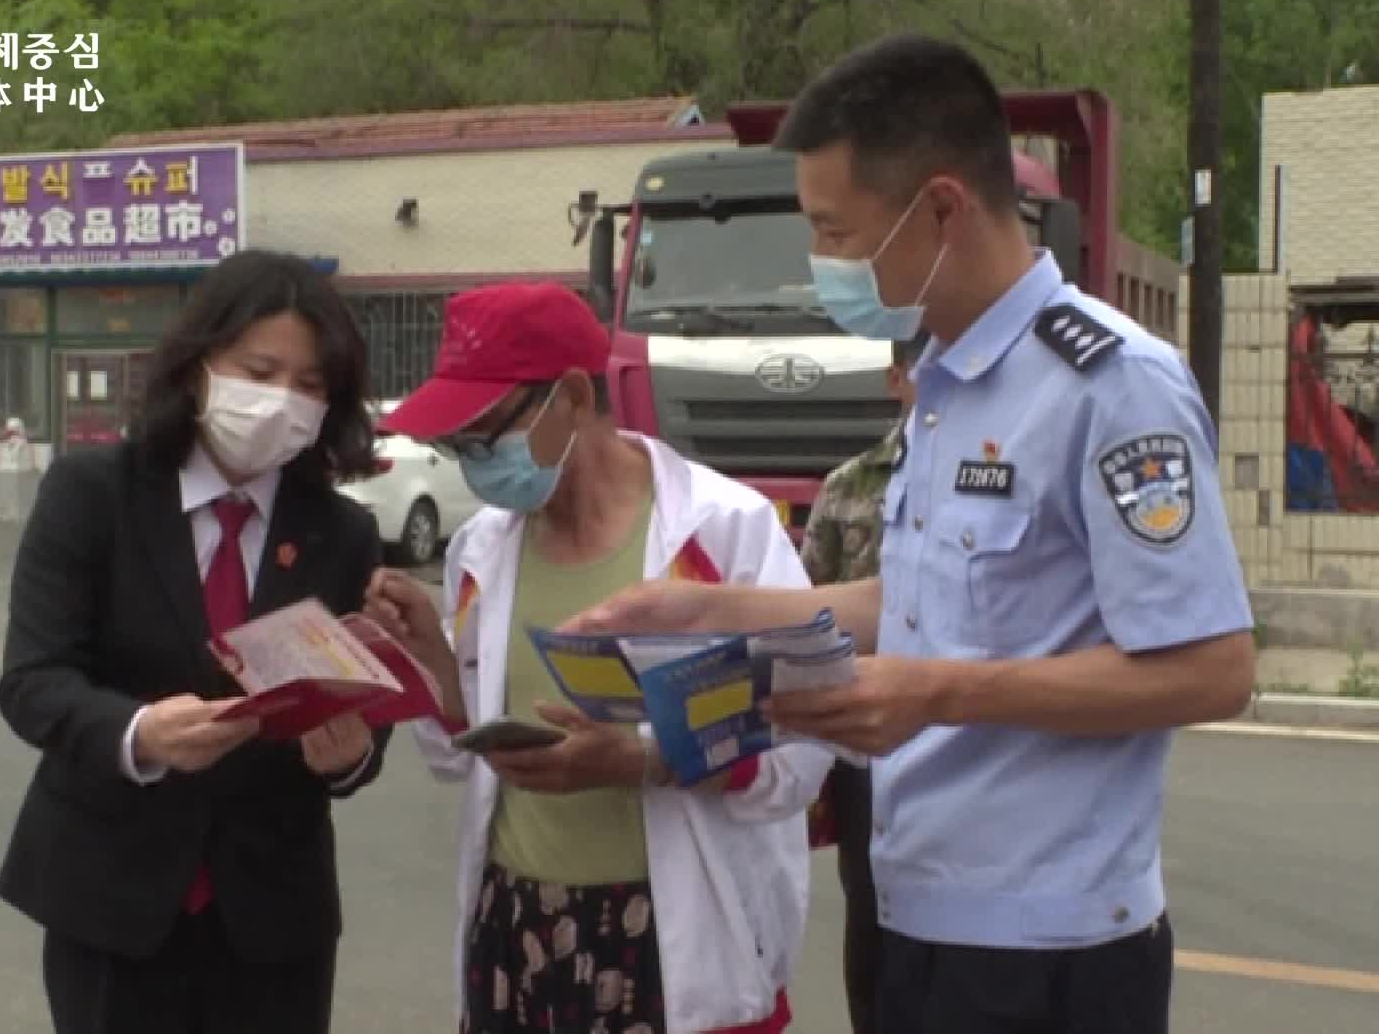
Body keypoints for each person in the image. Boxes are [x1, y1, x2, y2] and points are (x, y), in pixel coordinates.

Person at [561, 33, 1256, 1034]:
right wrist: (705, 606)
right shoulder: (939, 381)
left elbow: (1211, 667)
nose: (820, 265)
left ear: (939, 206)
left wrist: (936, 690)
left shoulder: (1108, 386)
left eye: (834, 233)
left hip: (1047, 949)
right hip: (911, 916)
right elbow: (923, 601)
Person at [364, 280, 832, 1034]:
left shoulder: (719, 532)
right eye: (457, 447)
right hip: (515, 925)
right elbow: (465, 751)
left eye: (485, 439)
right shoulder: (484, 547)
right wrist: (437, 671)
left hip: (666, 933)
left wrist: (639, 759)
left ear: (573, 398)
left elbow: (799, 746)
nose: (474, 464)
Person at [0, 249, 393, 1034]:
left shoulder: (342, 534)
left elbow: (362, 714)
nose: (282, 399)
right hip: (112, 901)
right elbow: (34, 679)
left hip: (274, 919)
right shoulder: (93, 494)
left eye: (310, 386)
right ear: (200, 363)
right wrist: (140, 734)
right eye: (260, 369)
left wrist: (351, 754)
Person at [799, 333, 922, 1034]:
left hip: (949, 726)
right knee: (869, 910)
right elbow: (809, 598)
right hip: (860, 744)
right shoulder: (848, 484)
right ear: (894, 378)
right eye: (917, 371)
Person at [1, 416, 37, 521]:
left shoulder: (23, 444)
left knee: (15, 495)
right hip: (7, 472)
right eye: (10, 432)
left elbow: (28, 461)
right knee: (8, 495)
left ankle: (13, 513)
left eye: (13, 432)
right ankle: (9, 513)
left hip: (17, 473)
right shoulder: (6, 444)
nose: (11, 435)